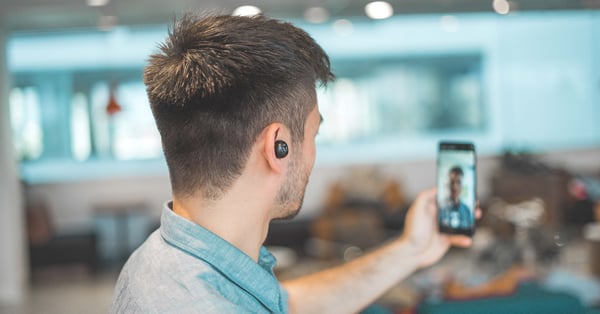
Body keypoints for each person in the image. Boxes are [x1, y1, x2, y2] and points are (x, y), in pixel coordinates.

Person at [110, 13, 477, 313]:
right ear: (278, 146)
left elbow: (292, 305)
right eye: (314, 134)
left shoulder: (158, 262)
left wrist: (412, 248)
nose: (314, 153)